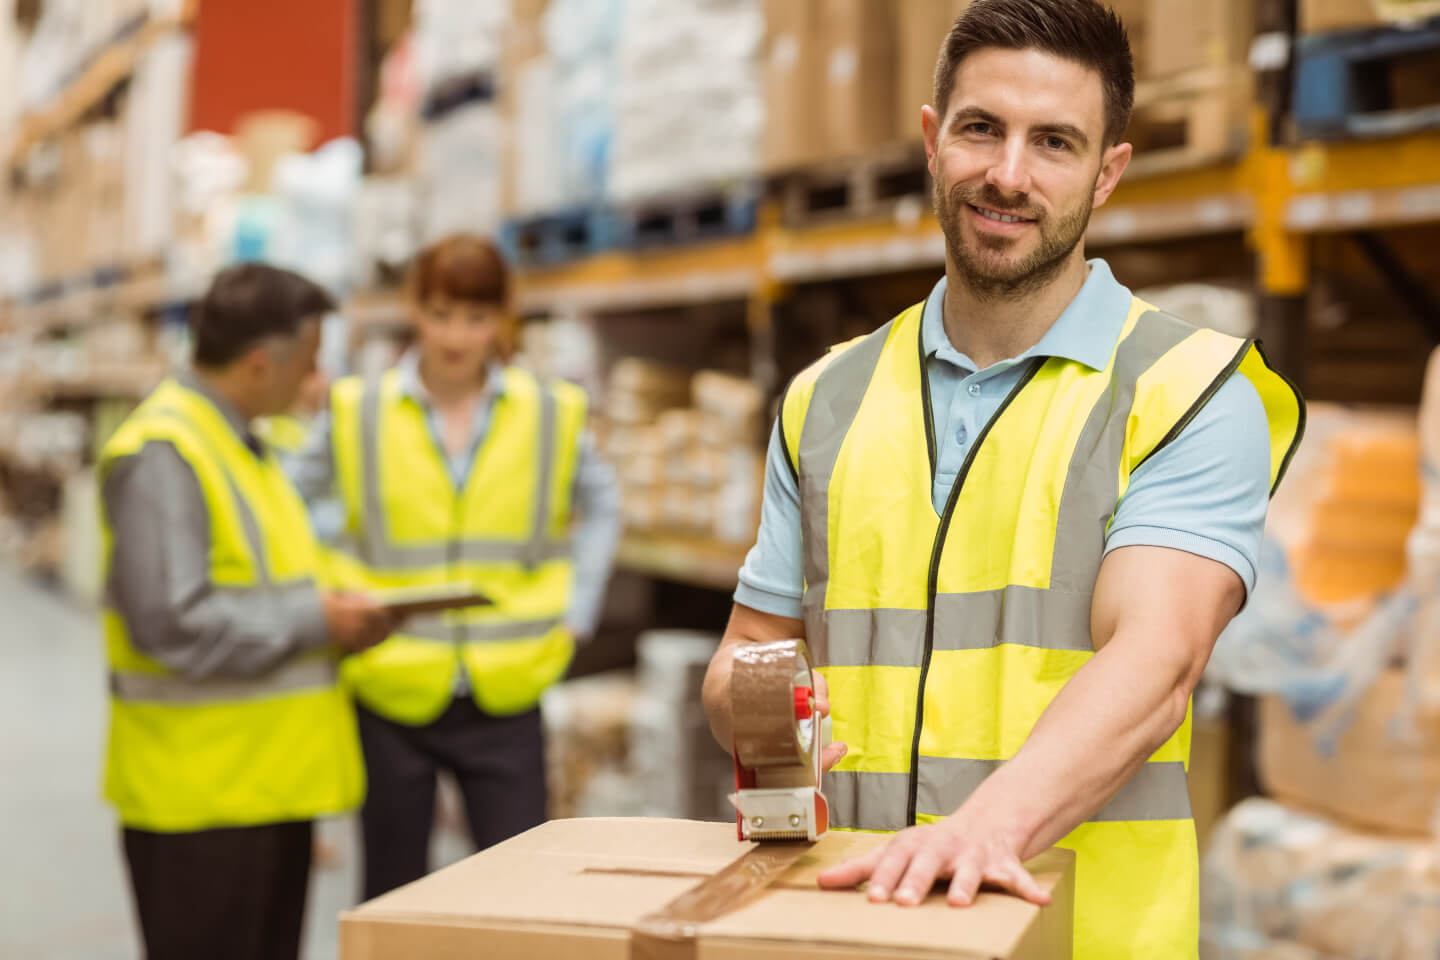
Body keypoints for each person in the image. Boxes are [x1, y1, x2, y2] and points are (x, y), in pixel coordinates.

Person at [700, 2, 1304, 957]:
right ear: (935, 140)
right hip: (857, 926)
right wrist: (767, 712)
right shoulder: (827, 397)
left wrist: (983, 830)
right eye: (983, 129)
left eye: (1054, 142)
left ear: (1107, 174)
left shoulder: (1186, 391)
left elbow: (1157, 661)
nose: (1008, 175)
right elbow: (749, 656)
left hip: (1075, 934)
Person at [290, 234, 622, 899]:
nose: (457, 335)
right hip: (391, 680)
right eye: (440, 314)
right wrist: (330, 589)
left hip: (508, 682)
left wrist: (578, 612)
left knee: (518, 894)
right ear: (414, 308)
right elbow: (285, 503)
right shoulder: (358, 409)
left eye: (475, 318)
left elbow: (603, 505)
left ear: (504, 317)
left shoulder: (550, 411)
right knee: (391, 890)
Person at [99, 263, 399, 960]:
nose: (317, 381)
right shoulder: (164, 453)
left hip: (263, 793)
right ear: (263, 364)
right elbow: (170, 622)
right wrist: (316, 622)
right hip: (200, 807)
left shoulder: (246, 443)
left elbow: (272, 575)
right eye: (312, 362)